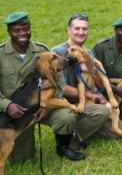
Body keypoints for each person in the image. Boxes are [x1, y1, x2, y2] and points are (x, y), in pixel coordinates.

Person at [0, 12, 85, 163]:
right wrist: (7, 106)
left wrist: (48, 108)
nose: (22, 33)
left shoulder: (42, 51)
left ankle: (63, 147)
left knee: (66, 116)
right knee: (21, 159)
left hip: (43, 106)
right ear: (9, 32)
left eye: (26, 29)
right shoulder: (0, 54)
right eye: (17, 30)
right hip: (13, 115)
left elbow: (59, 83)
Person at [52, 14, 122, 150]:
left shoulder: (88, 54)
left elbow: (100, 85)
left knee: (121, 130)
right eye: (77, 28)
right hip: (66, 103)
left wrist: (92, 70)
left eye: (85, 29)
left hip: (88, 103)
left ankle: (81, 126)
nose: (81, 32)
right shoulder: (58, 52)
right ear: (69, 30)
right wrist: (90, 95)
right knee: (104, 112)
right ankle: (71, 137)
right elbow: (60, 88)